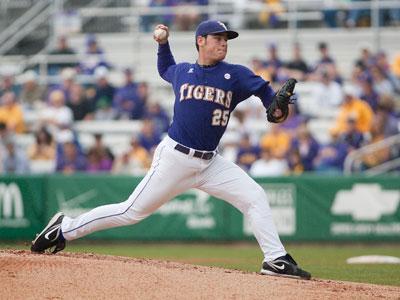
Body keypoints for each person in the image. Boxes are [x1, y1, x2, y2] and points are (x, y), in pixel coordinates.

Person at [31, 20, 311, 280]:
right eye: (218, 38)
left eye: (226, 39)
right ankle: (65, 227)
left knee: (255, 196)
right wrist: (162, 44)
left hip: (211, 164)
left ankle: (275, 259)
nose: (224, 43)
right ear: (200, 40)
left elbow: (273, 111)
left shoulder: (236, 75)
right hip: (175, 158)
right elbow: (165, 68)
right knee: (131, 211)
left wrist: (279, 107)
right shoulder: (182, 71)